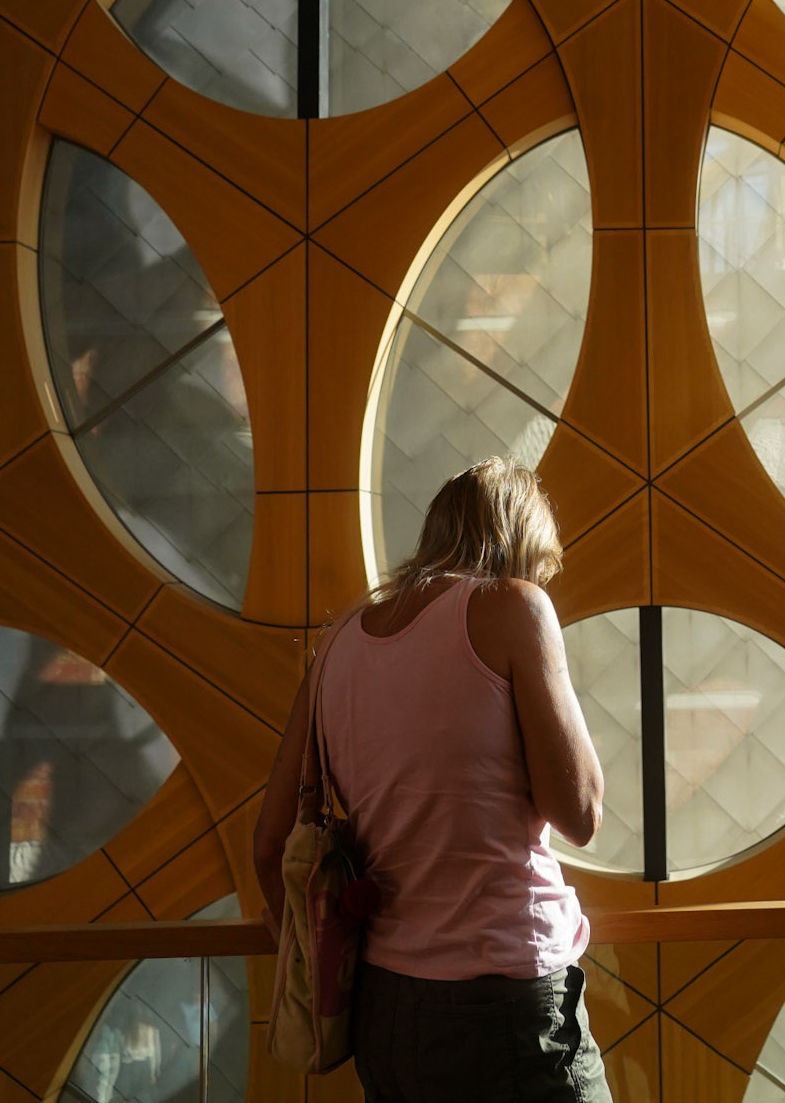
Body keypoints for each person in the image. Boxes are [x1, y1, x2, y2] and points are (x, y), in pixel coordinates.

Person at [253, 457, 611, 1103]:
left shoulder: (336, 647)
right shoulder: (514, 607)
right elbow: (580, 813)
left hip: (386, 1010)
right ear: (521, 547)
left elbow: (268, 844)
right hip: (510, 1003)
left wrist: (323, 964)